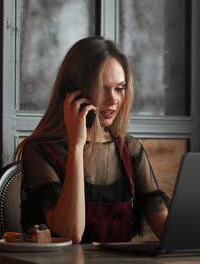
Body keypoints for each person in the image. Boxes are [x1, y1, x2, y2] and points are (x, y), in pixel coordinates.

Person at [14, 36, 169, 244]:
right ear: (73, 94)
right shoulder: (40, 151)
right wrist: (77, 146)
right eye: (102, 88)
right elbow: (71, 234)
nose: (113, 99)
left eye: (119, 88)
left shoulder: (129, 149)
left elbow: (167, 229)